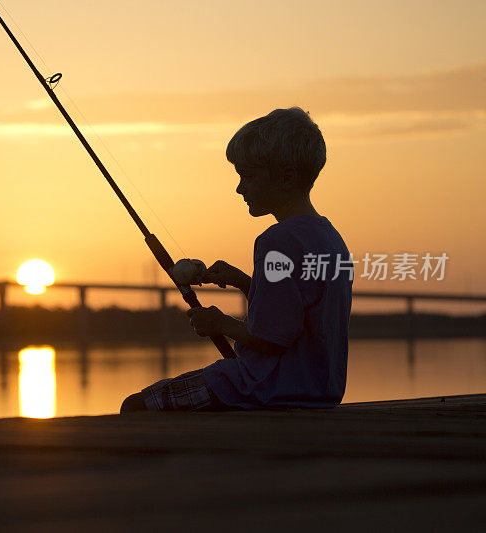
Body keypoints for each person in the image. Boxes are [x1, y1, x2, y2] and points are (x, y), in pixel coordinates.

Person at [121, 107, 353, 412]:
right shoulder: (331, 239)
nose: (239, 188)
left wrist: (217, 322)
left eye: (248, 176)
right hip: (319, 389)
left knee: (135, 407)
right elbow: (296, 311)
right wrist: (242, 281)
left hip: (265, 387)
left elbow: (272, 338)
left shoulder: (277, 241)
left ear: (286, 177)